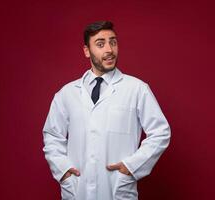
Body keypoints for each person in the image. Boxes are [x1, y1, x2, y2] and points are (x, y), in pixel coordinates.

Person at [42, 21, 171, 200]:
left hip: (117, 188)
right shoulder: (67, 94)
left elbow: (160, 132)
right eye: (100, 44)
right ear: (87, 51)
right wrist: (63, 172)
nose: (109, 49)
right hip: (78, 189)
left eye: (113, 42)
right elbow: (52, 136)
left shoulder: (136, 89)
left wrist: (131, 167)